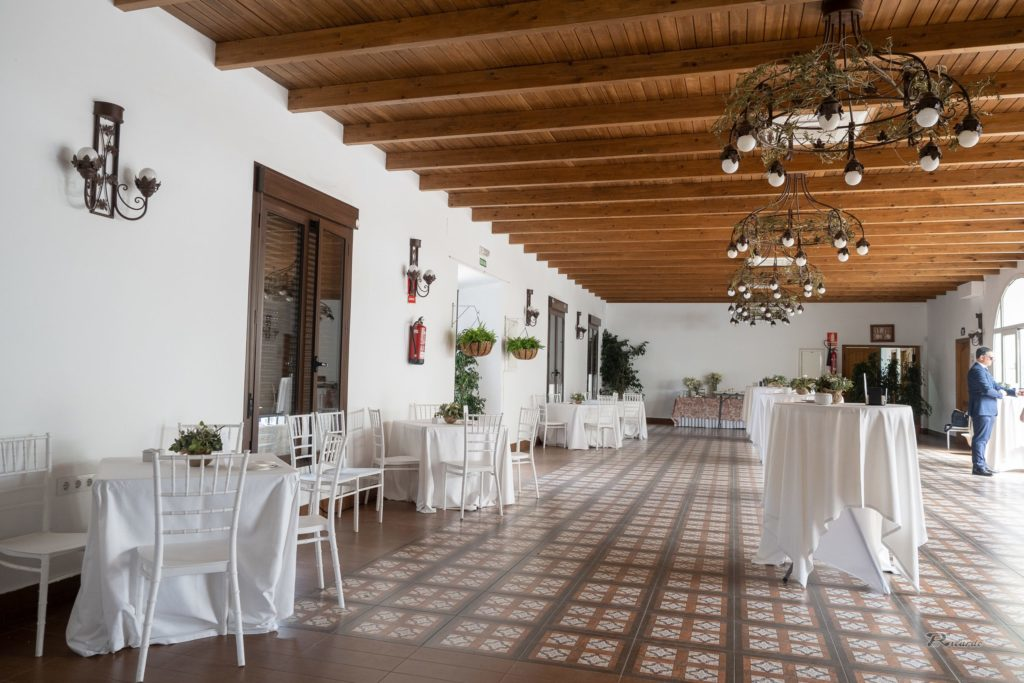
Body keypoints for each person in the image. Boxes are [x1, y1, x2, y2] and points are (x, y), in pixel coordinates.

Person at [967, 346, 1003, 476]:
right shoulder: (977, 371)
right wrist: (1001, 395)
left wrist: (1013, 391)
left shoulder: (985, 370)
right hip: (982, 409)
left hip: (988, 410)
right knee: (980, 439)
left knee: (984, 439)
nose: (992, 360)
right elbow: (986, 389)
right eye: (991, 357)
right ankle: (978, 466)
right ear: (982, 357)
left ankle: (982, 464)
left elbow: (995, 385)